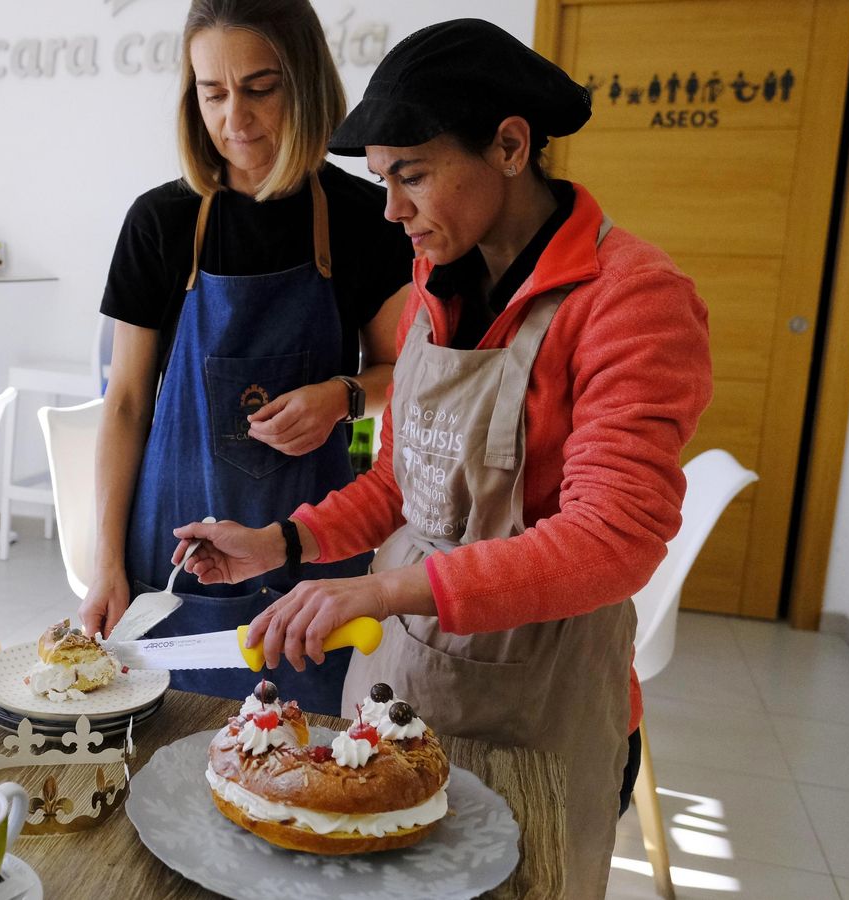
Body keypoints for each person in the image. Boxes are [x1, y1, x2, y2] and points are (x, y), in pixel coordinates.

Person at [170, 19, 711, 897]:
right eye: (382, 181)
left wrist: (383, 590)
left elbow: (615, 540)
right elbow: (402, 481)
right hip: (398, 680)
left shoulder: (631, 302)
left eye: (412, 176)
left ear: (509, 145)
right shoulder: (435, 285)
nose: (391, 211)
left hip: (540, 700)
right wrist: (281, 542)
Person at [78, 0, 413, 715]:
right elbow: (128, 403)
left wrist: (343, 396)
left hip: (308, 561)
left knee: (298, 763)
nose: (236, 117)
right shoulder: (160, 222)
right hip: (172, 561)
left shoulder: (365, 219)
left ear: (307, 83)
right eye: (213, 93)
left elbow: (403, 378)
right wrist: (104, 562)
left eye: (260, 87)